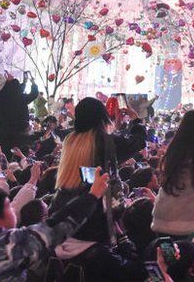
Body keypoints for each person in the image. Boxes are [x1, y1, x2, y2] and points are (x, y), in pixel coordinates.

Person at [0, 171, 110, 281]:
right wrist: (92, 196)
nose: (13, 209)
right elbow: (52, 230)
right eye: (8, 206)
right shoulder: (5, 247)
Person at [49, 97, 148, 281]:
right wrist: (136, 120)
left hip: (70, 212)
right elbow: (138, 142)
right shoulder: (104, 141)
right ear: (101, 116)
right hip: (97, 219)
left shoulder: (70, 139)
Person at [0, 72, 39, 152]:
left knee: (5, 149)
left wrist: (8, 83)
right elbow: (34, 94)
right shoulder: (21, 98)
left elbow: (13, 89)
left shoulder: (1, 97)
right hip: (20, 129)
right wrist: (32, 82)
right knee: (17, 150)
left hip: (4, 128)